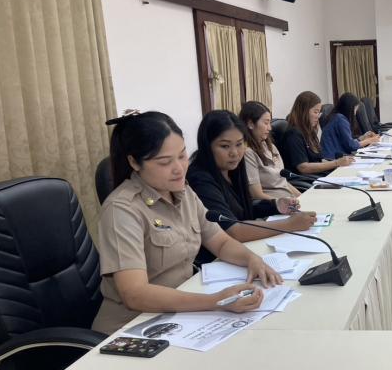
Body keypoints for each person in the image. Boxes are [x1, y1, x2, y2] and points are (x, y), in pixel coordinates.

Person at [92, 111, 281, 335]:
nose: (179, 168)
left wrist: (252, 260)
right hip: (134, 328)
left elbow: (220, 242)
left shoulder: (183, 192)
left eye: (182, 156)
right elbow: (135, 294)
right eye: (165, 162)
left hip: (182, 314)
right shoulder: (122, 209)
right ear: (134, 162)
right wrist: (216, 301)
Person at [187, 110, 317, 263]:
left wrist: (276, 205)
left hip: (244, 249)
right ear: (207, 146)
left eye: (239, 144)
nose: (234, 153)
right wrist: (289, 225)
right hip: (217, 261)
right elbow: (232, 230)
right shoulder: (200, 178)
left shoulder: (233, 168)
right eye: (225, 146)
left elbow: (241, 210)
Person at [280, 91, 354, 175]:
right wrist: (336, 163)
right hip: (307, 179)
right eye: (315, 112)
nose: (318, 116)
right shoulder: (293, 134)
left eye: (319, 112)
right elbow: (303, 167)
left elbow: (318, 159)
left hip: (317, 175)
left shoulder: (308, 131)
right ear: (303, 111)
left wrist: (338, 162)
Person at [238, 101, 301, 200]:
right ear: (250, 124)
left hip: (289, 200)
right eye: (266, 123)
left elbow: (283, 183)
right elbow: (256, 194)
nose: (270, 128)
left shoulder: (270, 146)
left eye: (270, 123)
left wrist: (302, 198)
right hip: (274, 205)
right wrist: (282, 203)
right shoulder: (248, 153)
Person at [320, 93, 380, 159]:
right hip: (333, 159)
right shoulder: (340, 119)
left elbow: (346, 142)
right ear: (350, 108)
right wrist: (369, 140)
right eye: (355, 109)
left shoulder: (335, 116)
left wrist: (362, 138)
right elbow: (351, 146)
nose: (355, 113)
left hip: (333, 155)